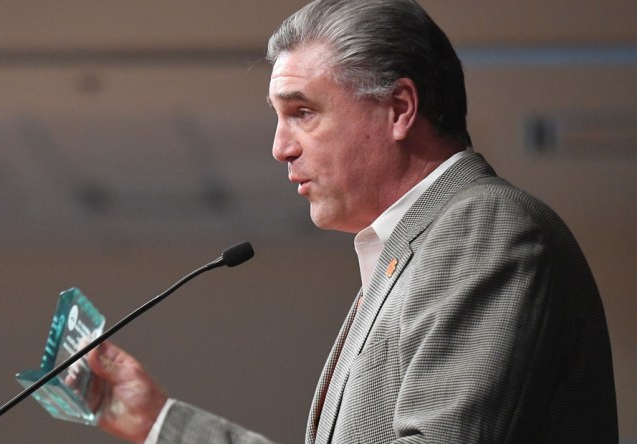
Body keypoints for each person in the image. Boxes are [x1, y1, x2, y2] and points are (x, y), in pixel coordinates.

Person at [82, 0, 619, 442]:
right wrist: (157, 422)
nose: (279, 148)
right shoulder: (413, 251)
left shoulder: (482, 231)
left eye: (303, 113)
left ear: (400, 108)